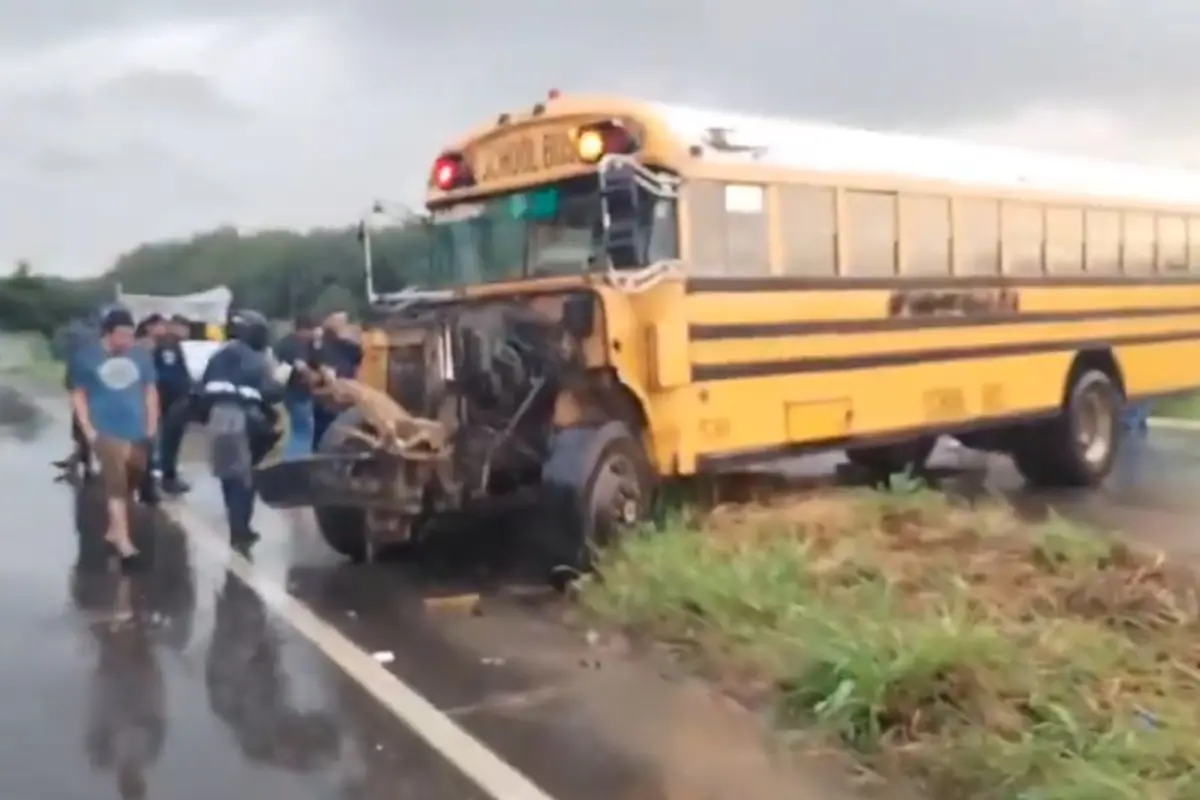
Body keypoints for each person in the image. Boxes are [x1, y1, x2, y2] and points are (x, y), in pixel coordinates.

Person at [68, 306, 159, 563]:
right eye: (123, 335)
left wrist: (152, 422)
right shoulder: (86, 357)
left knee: (133, 474)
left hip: (137, 427)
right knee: (115, 477)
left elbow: (150, 390)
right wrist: (87, 427)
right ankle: (123, 540)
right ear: (108, 333)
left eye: (131, 335)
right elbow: (78, 394)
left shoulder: (141, 356)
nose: (128, 341)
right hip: (104, 427)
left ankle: (113, 529)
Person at [198, 310, 284, 546]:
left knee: (227, 475)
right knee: (244, 478)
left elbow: (200, 391)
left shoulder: (217, 356)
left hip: (216, 417)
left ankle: (236, 524)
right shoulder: (257, 359)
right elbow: (271, 393)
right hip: (243, 419)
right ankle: (241, 529)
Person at [151, 315, 192, 494]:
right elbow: (169, 376)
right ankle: (168, 478)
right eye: (184, 327)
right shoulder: (169, 346)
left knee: (170, 441)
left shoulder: (172, 345)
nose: (187, 332)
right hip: (171, 401)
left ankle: (168, 475)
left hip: (172, 400)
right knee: (170, 441)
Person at [311, 311, 362, 448]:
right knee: (325, 433)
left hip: (337, 397)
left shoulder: (347, 348)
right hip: (331, 398)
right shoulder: (325, 347)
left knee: (325, 434)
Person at [272, 314, 319, 459]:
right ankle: (296, 464)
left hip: (285, 392)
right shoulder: (298, 344)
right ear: (305, 330)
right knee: (303, 431)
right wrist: (314, 378)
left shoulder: (283, 342)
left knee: (295, 430)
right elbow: (301, 366)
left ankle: (291, 462)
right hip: (299, 394)